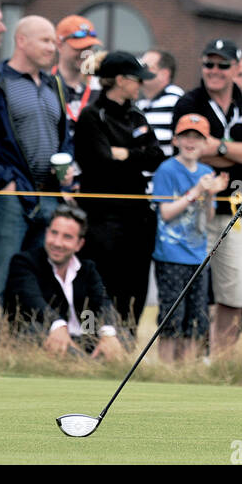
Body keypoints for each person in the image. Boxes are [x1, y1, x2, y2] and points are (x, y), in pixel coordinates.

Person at [0, 16, 72, 336]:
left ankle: (22, 349)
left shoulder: (55, 84)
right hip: (10, 196)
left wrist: (66, 167)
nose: (53, 47)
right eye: (45, 40)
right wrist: (5, 181)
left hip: (48, 196)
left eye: (54, 41)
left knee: (34, 281)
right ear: (22, 41)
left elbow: (64, 137)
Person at [173, 38, 242, 355]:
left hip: (236, 210)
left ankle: (221, 361)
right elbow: (189, 152)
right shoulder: (188, 103)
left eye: (222, 65)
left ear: (236, 68)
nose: (214, 70)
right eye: (208, 63)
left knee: (233, 290)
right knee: (187, 285)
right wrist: (233, 155)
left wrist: (220, 147)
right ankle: (186, 361)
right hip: (193, 209)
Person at [73, 51, 164, 336]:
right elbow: (101, 163)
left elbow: (156, 156)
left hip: (137, 218)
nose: (141, 84)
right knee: (100, 284)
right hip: (101, 217)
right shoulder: (92, 115)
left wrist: (125, 154)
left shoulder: (136, 114)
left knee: (134, 286)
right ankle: (92, 342)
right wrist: (133, 156)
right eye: (137, 79)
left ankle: (125, 343)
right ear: (121, 80)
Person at [152, 113, 228, 362]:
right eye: (186, 136)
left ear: (206, 143)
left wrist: (208, 195)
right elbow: (165, 213)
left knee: (195, 321)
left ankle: (187, 371)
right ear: (175, 140)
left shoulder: (207, 171)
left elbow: (208, 217)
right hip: (171, 256)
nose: (191, 142)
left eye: (197, 137)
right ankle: (164, 370)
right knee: (170, 320)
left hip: (197, 257)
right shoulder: (166, 169)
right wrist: (196, 191)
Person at [3, 205, 125, 359]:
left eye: (67, 237)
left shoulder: (87, 268)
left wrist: (107, 333)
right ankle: (86, 364)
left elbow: (102, 301)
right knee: (35, 331)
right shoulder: (25, 263)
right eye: (54, 233)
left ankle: (91, 362)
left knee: (120, 335)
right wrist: (57, 324)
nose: (57, 243)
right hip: (48, 335)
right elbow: (32, 299)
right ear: (46, 233)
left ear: (79, 244)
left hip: (84, 339)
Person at [54, 15, 102, 135]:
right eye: (78, 48)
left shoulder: (102, 87)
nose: (85, 53)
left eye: (89, 47)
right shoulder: (44, 85)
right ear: (59, 45)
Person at [136, 50, 184, 158]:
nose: (140, 72)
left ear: (164, 74)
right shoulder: (140, 104)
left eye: (146, 67)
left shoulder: (178, 101)